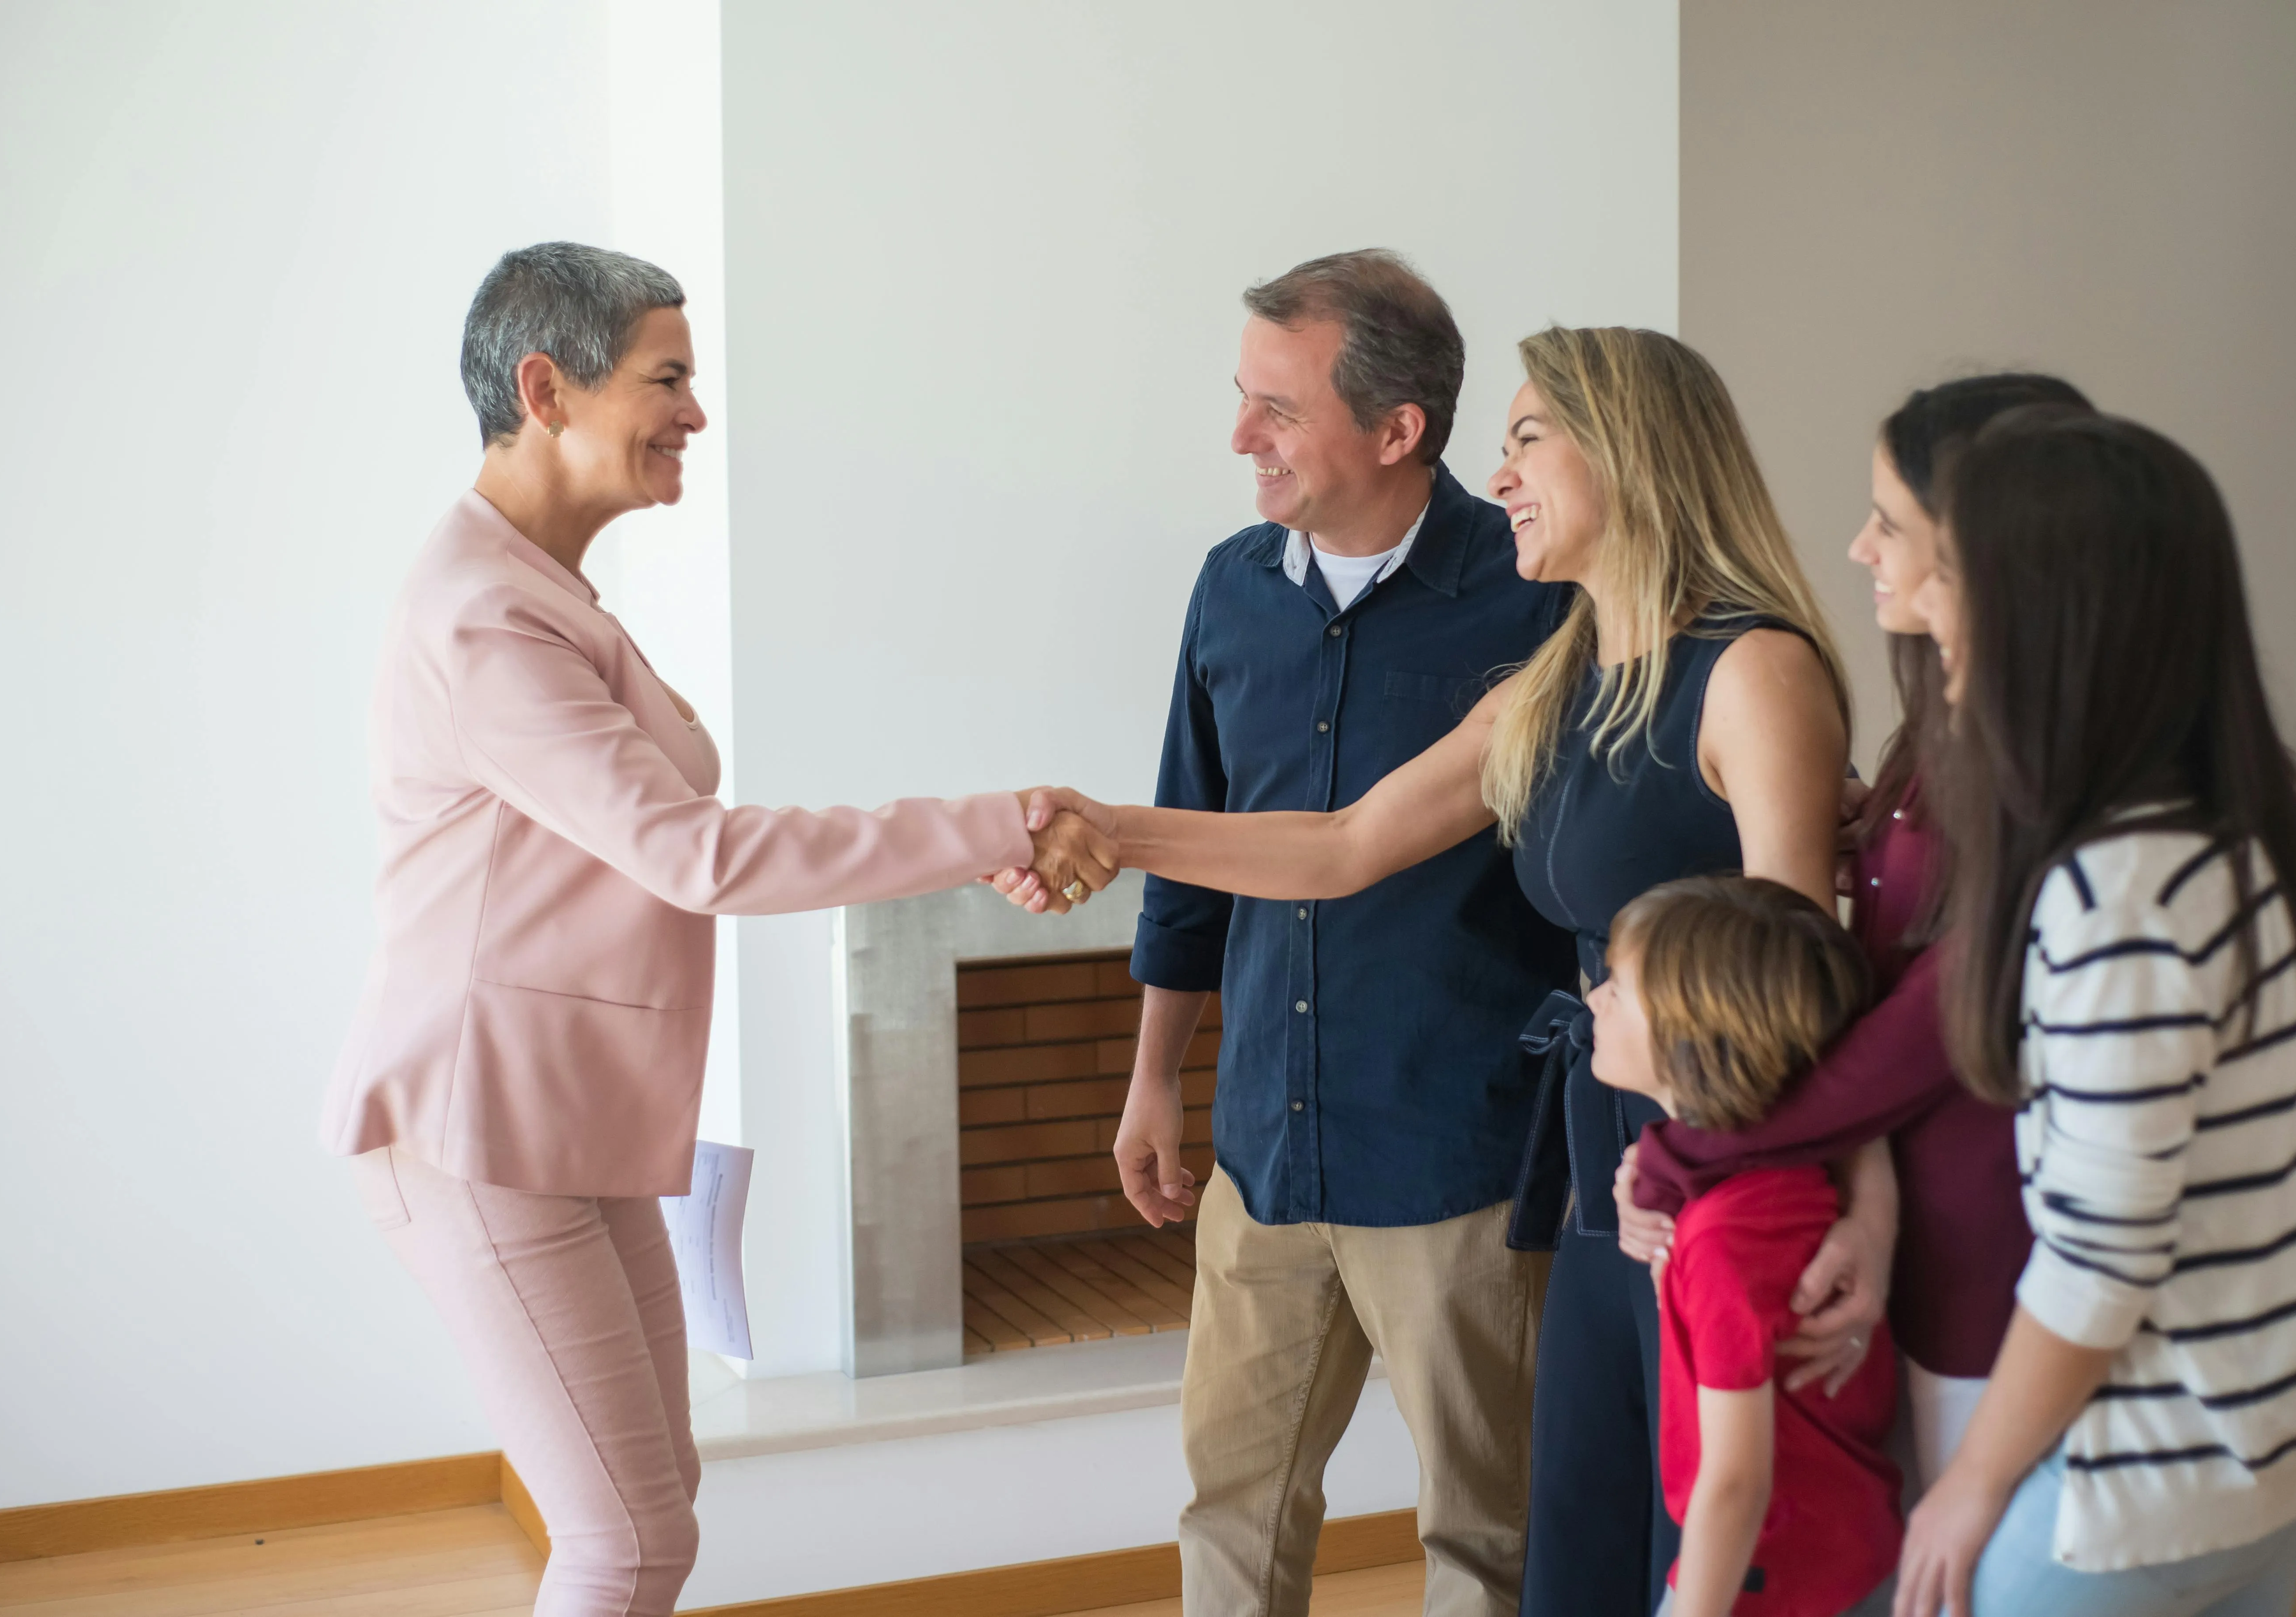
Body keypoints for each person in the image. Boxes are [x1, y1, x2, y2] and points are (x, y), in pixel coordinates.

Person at [1006, 325, 1880, 1617]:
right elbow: (1344, 842)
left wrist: (1850, 1197)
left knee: (1705, 1539)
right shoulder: (1561, 674)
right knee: (1579, 1546)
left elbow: (1811, 983)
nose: (1504, 471)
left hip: (1722, 1165)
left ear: (1630, 455)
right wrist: (1113, 829)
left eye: (1531, 438)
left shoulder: (1753, 672)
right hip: (1601, 1161)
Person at [321, 242, 1112, 1617]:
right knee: (624, 1543)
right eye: (667, 377)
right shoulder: (487, 619)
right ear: (544, 386)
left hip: (567, 1125)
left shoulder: (544, 591)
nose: (695, 410)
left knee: (655, 1507)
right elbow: (695, 856)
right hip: (482, 1128)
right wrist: (993, 825)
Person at [1025, 249, 1573, 1617]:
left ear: (1397, 431)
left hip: (1460, 1158)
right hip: (1264, 1148)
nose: (1239, 438)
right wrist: (1155, 1076)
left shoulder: (1539, 600)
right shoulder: (1229, 589)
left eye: (1276, 407)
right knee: (1231, 1510)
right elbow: (1192, 869)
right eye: (1242, 398)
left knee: (1485, 1534)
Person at [1891, 408, 2296, 1617]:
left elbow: (2099, 1260)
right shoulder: (2258, 820)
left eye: (1951, 572)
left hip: (2148, 1478)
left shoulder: (2116, 887)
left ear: (2046, 617)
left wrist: (1971, 1484)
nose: (1926, 604)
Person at [1617, 374, 2091, 1488]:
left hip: (1995, 1229)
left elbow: (1932, 1015)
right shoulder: (1941, 729)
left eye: (1888, 521)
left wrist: (1692, 1145)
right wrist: (1872, 845)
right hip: (1915, 1207)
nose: (1857, 547)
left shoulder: (2041, 760)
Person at [1588, 876, 1900, 1617]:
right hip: (1839, 1556)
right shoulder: (1778, 1186)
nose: (1595, 1000)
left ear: (1695, 1037)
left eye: (1619, 991)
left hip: (1774, 1583)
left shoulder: (1726, 1237)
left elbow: (1736, 1481)